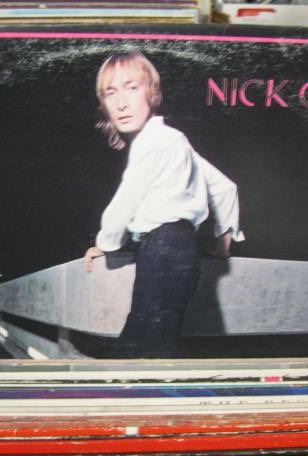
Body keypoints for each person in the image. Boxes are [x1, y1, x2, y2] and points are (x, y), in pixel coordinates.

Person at [84, 51, 244, 357]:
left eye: (132, 87)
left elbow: (127, 199)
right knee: (150, 341)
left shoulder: (153, 141)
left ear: (152, 92)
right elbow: (226, 188)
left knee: (143, 347)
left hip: (163, 249)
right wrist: (223, 241)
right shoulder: (174, 139)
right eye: (110, 92)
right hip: (180, 250)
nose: (121, 103)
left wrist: (105, 243)